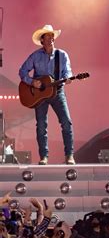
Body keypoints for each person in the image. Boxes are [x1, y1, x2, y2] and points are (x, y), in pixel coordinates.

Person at [19, 25, 75, 165]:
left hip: (58, 92)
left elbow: (67, 71)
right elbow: (22, 71)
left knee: (66, 123)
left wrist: (68, 77)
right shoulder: (35, 56)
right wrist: (32, 82)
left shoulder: (61, 55)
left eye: (52, 36)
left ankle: (69, 155)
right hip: (40, 96)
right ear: (42, 40)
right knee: (42, 126)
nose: (50, 39)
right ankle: (43, 157)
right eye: (47, 37)